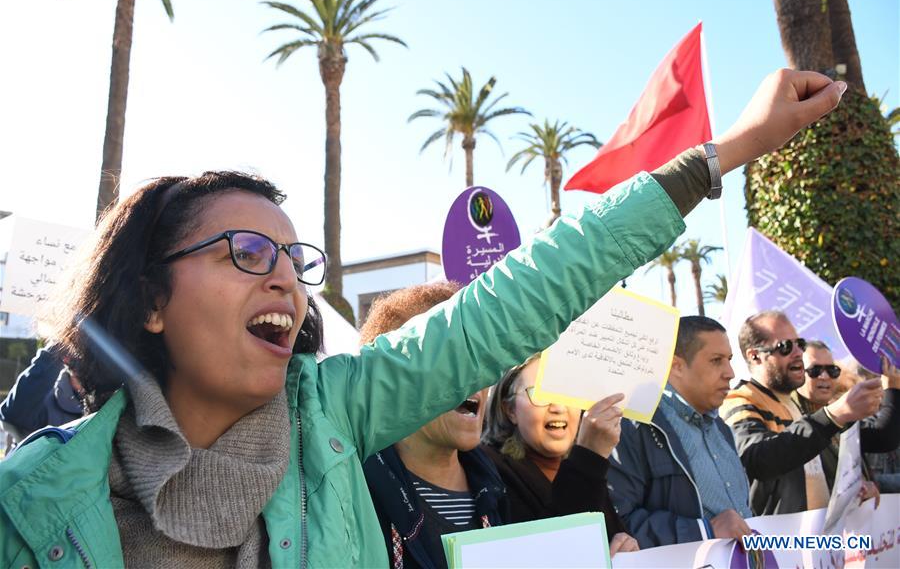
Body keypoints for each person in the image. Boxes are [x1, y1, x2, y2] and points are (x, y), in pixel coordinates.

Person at [0, 68, 845, 567]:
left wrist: (723, 154)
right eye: (248, 254)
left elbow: (516, 298)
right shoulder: (27, 506)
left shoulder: (331, 410)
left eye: (298, 263)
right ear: (149, 299)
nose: (287, 285)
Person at [360, 282, 506, 569]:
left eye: (482, 355)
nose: (475, 375)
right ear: (392, 379)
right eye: (450, 359)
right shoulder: (356, 494)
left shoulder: (496, 485)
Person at [721, 311, 900, 515]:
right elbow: (757, 460)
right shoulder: (741, 399)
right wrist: (835, 415)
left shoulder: (792, 404)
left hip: (821, 542)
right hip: (777, 542)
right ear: (754, 356)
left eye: (800, 344)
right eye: (785, 347)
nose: (798, 353)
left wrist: (855, 490)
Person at [608, 316, 752, 549]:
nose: (730, 373)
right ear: (676, 366)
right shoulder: (635, 426)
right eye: (716, 361)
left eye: (730, 360)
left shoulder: (722, 430)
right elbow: (619, 523)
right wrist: (704, 530)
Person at [482, 354, 638, 556]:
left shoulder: (582, 466)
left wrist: (625, 547)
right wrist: (590, 456)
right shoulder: (491, 469)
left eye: (568, 393)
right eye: (540, 394)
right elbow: (550, 552)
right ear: (510, 410)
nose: (557, 407)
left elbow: (609, 541)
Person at [794, 340, 900, 501]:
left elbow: (883, 438)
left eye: (832, 370)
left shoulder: (842, 418)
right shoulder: (792, 420)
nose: (824, 376)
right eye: (815, 370)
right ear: (798, 372)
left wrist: (867, 486)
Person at [0, 344, 84, 446]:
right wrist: (59, 346)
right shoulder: (45, 398)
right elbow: (14, 414)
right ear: (67, 359)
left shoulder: (104, 402)